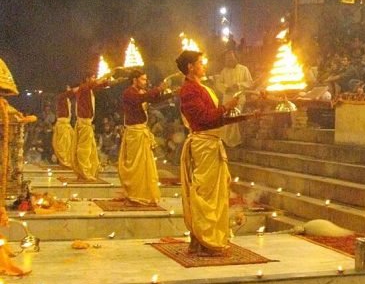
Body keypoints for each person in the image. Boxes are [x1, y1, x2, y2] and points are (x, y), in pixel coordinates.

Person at [176, 50, 246, 257]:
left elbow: (213, 119)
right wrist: (226, 107)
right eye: (200, 62)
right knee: (205, 194)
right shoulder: (189, 90)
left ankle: (202, 240)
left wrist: (242, 116)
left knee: (213, 193)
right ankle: (204, 240)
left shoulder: (201, 87)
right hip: (204, 145)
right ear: (190, 67)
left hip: (211, 142)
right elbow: (204, 118)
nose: (204, 65)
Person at [117, 70, 171, 206]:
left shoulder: (141, 92)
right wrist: (159, 88)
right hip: (134, 133)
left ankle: (144, 193)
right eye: (143, 79)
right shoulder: (129, 93)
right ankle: (134, 194)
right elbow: (140, 99)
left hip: (141, 132)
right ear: (134, 80)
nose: (145, 82)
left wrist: (172, 93)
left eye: (145, 79)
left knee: (144, 166)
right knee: (136, 166)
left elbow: (153, 99)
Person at [73, 72, 114, 181]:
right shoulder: (84, 88)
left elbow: (102, 84)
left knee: (90, 148)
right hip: (84, 123)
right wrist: (108, 73)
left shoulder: (88, 89)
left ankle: (89, 170)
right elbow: (96, 83)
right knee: (84, 149)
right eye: (93, 77)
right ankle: (84, 172)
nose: (95, 79)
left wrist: (116, 80)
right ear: (87, 79)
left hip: (87, 123)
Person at [213, 50, 254, 147]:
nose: (229, 61)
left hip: (239, 98)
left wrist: (239, 85)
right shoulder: (224, 71)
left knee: (235, 117)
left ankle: (235, 141)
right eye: (227, 59)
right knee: (226, 119)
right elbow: (219, 83)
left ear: (235, 58)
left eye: (231, 58)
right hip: (227, 98)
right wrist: (226, 88)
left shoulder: (244, 69)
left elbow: (250, 82)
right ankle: (225, 140)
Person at [51, 86, 76, 170]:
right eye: (68, 88)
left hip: (66, 124)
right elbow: (72, 92)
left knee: (71, 143)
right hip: (62, 124)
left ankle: (69, 161)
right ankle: (65, 162)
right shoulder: (61, 97)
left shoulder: (66, 99)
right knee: (64, 145)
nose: (69, 89)